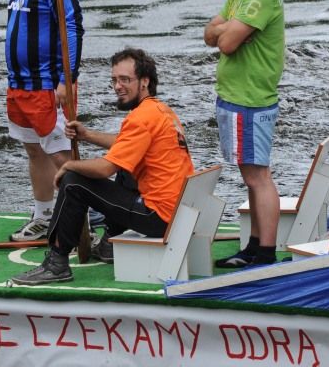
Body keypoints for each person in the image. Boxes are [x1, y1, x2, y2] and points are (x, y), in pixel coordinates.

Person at [11, 48, 194, 285]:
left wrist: (69, 166)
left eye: (125, 80)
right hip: (179, 212)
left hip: (159, 218)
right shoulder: (161, 111)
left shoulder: (140, 118)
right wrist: (87, 135)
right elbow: (125, 144)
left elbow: (105, 169)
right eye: (115, 80)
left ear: (145, 81)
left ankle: (57, 263)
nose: (118, 86)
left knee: (74, 182)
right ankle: (110, 242)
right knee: (126, 166)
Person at [203, 0, 286, 267]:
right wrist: (229, 27)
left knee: (258, 175)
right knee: (249, 174)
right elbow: (210, 34)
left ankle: (265, 253)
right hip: (236, 99)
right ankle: (254, 246)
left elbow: (225, 43)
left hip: (250, 100)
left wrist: (228, 30)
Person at [2, 0, 84, 242]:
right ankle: (43, 214)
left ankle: (85, 217)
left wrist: (67, 80)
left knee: (62, 154)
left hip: (46, 85)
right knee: (34, 149)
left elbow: (73, 30)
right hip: (19, 84)